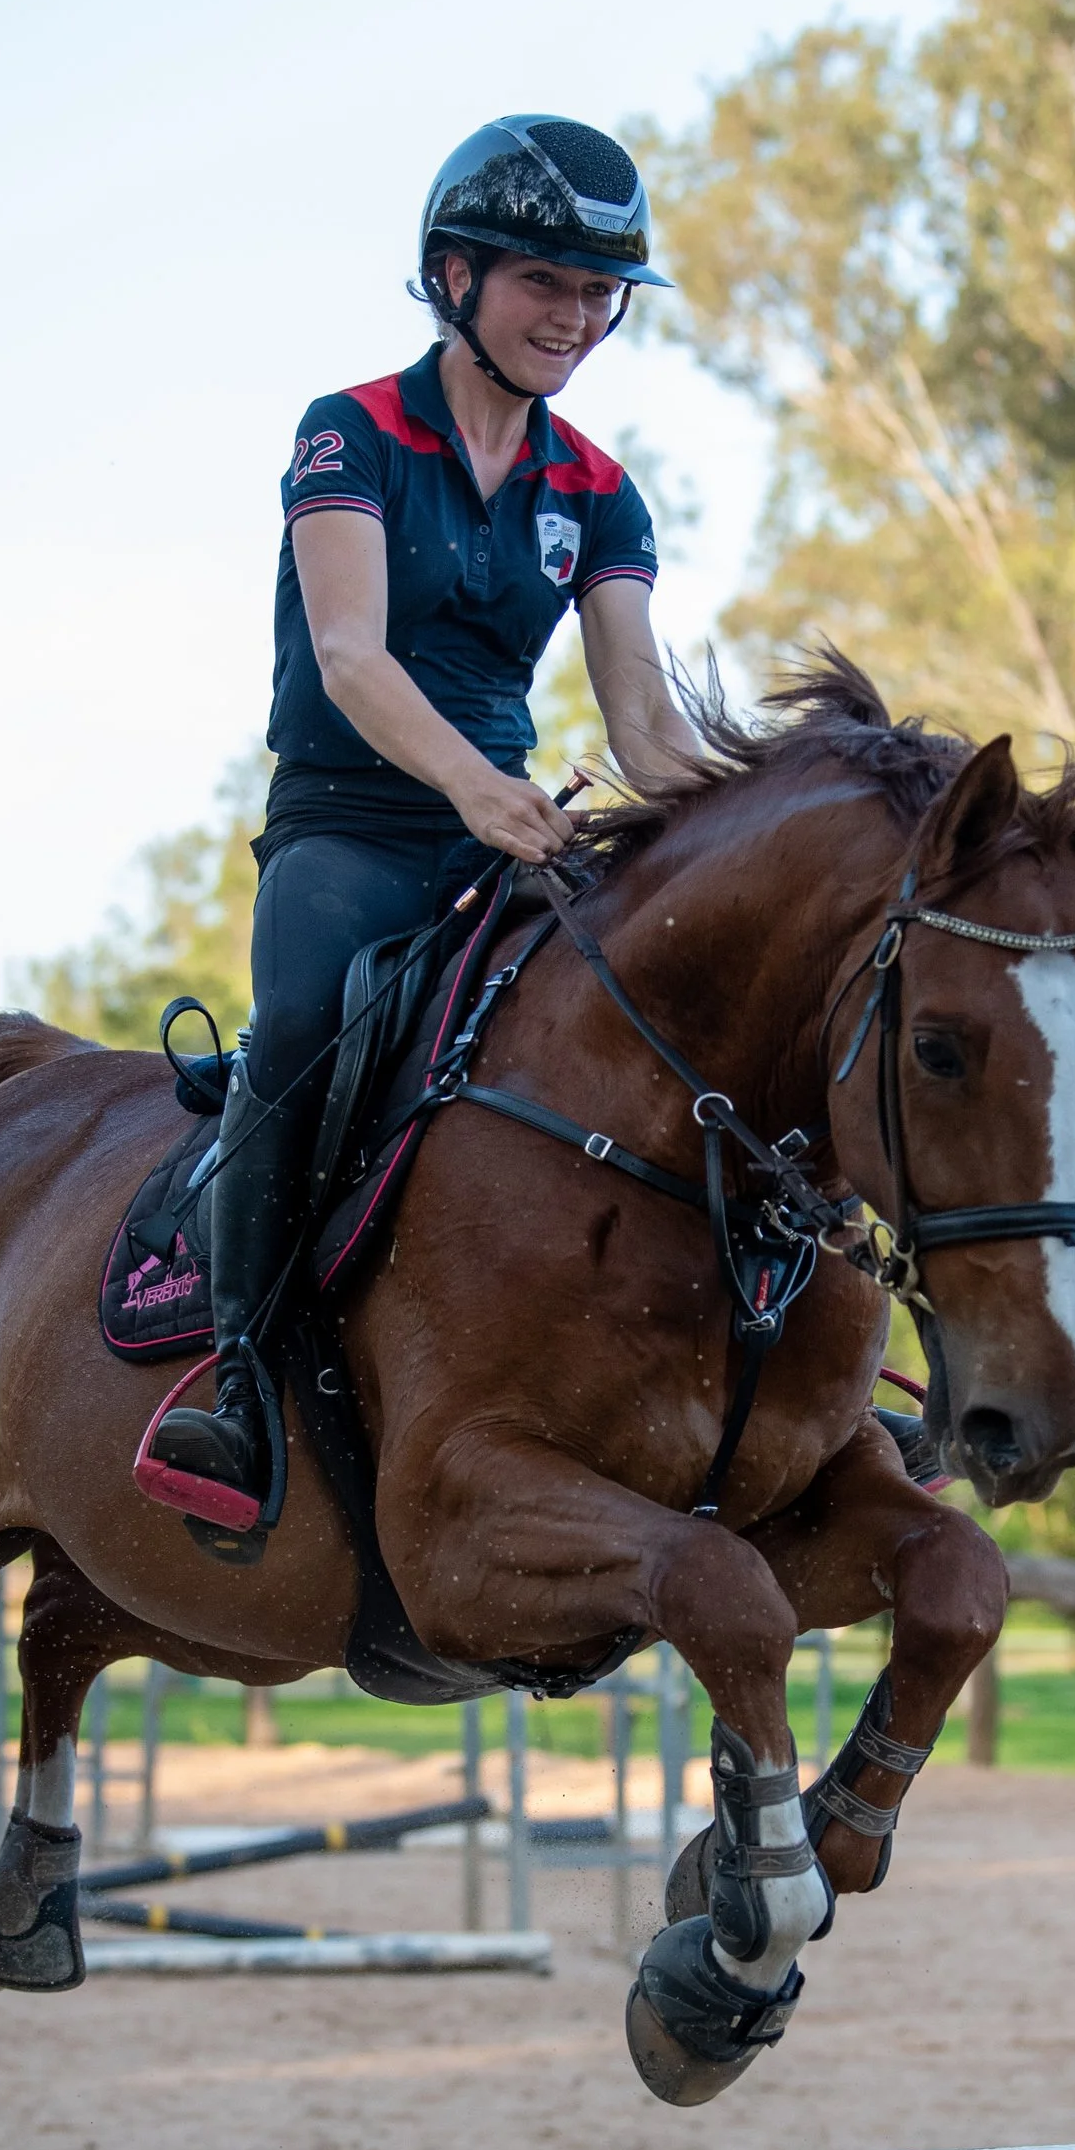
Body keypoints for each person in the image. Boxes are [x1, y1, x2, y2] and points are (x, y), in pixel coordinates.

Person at [147, 114, 699, 1539]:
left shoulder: (599, 488)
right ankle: (238, 1372)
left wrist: (764, 825)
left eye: (599, 294)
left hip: (507, 833)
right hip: (353, 826)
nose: (576, 318)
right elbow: (350, 655)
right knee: (311, 1022)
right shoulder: (350, 432)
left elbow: (644, 726)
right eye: (545, 285)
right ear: (454, 276)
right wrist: (473, 787)